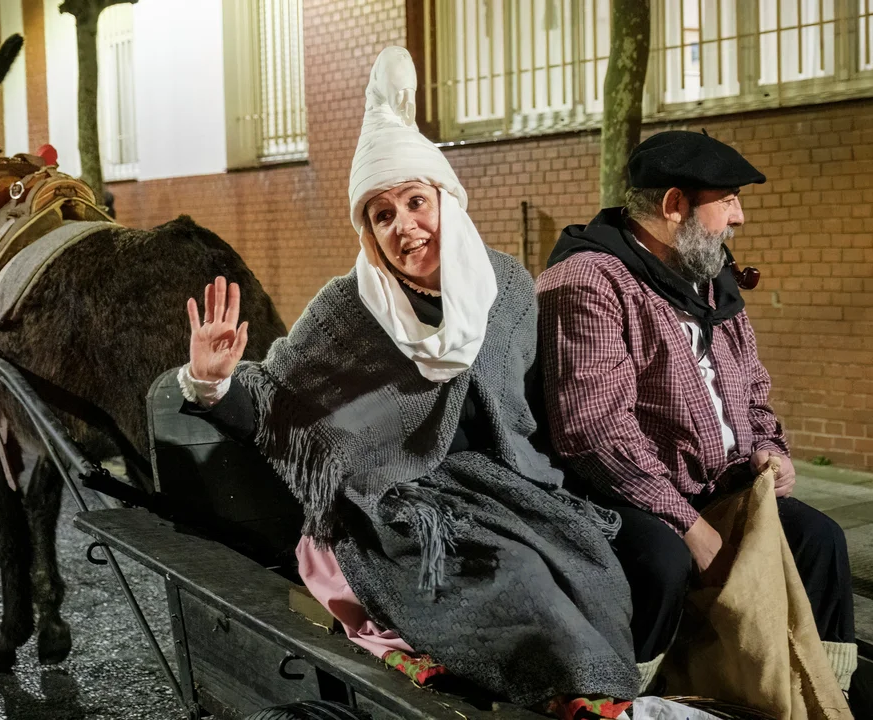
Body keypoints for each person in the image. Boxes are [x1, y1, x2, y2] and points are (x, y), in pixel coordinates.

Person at [177, 47, 640, 715]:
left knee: (594, 563)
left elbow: (536, 404)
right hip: (395, 506)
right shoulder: (347, 308)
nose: (405, 227)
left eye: (416, 202)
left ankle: (594, 692)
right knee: (515, 577)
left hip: (509, 487)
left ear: (446, 201)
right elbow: (279, 400)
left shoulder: (507, 288)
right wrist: (212, 382)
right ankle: (567, 701)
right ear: (368, 233)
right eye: (382, 215)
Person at [535, 130, 857, 695]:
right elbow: (594, 432)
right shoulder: (588, 281)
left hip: (716, 485)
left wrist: (769, 449)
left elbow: (753, 387)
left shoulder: (706, 275)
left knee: (820, 540)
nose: (739, 217)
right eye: (727, 199)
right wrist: (689, 525)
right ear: (673, 204)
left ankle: (820, 697)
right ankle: (621, 698)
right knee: (663, 562)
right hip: (621, 493)